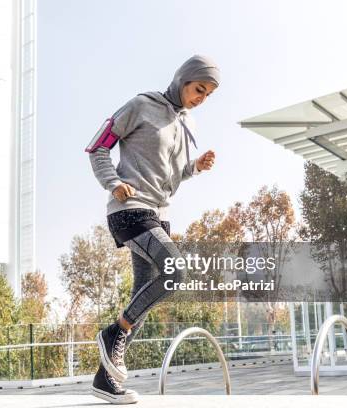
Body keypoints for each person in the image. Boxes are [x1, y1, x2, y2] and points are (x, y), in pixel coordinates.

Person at [87, 55, 220, 404]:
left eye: (207, 95)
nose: (200, 98)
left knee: (142, 299)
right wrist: (112, 182)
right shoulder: (142, 105)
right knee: (176, 271)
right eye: (198, 89)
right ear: (182, 79)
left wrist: (194, 167)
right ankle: (114, 332)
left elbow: (168, 176)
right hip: (129, 210)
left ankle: (105, 378)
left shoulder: (181, 123)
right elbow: (97, 145)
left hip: (157, 215)